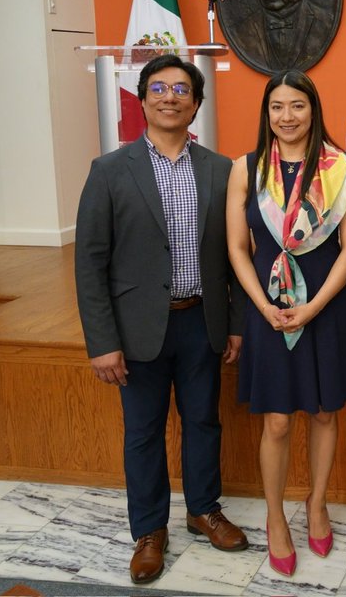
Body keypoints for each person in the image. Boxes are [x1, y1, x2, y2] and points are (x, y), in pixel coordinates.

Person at [75, 54, 248, 585]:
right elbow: (90, 262)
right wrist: (102, 341)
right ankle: (149, 530)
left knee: (204, 421)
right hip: (137, 328)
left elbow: (237, 254)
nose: (170, 97)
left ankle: (203, 510)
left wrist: (235, 322)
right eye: (158, 88)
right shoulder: (109, 170)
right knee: (143, 432)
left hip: (201, 320)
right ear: (142, 100)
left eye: (181, 90)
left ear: (195, 104)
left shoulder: (221, 170)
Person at [226, 70, 346, 576]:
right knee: (278, 421)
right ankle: (274, 517)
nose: (287, 117)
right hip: (269, 310)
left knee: (325, 413)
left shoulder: (342, 169)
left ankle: (317, 502)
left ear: (314, 109)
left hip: (325, 308)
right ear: (266, 113)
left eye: (297, 106)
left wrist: (314, 307)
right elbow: (237, 248)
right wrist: (263, 306)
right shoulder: (246, 169)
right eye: (277, 107)